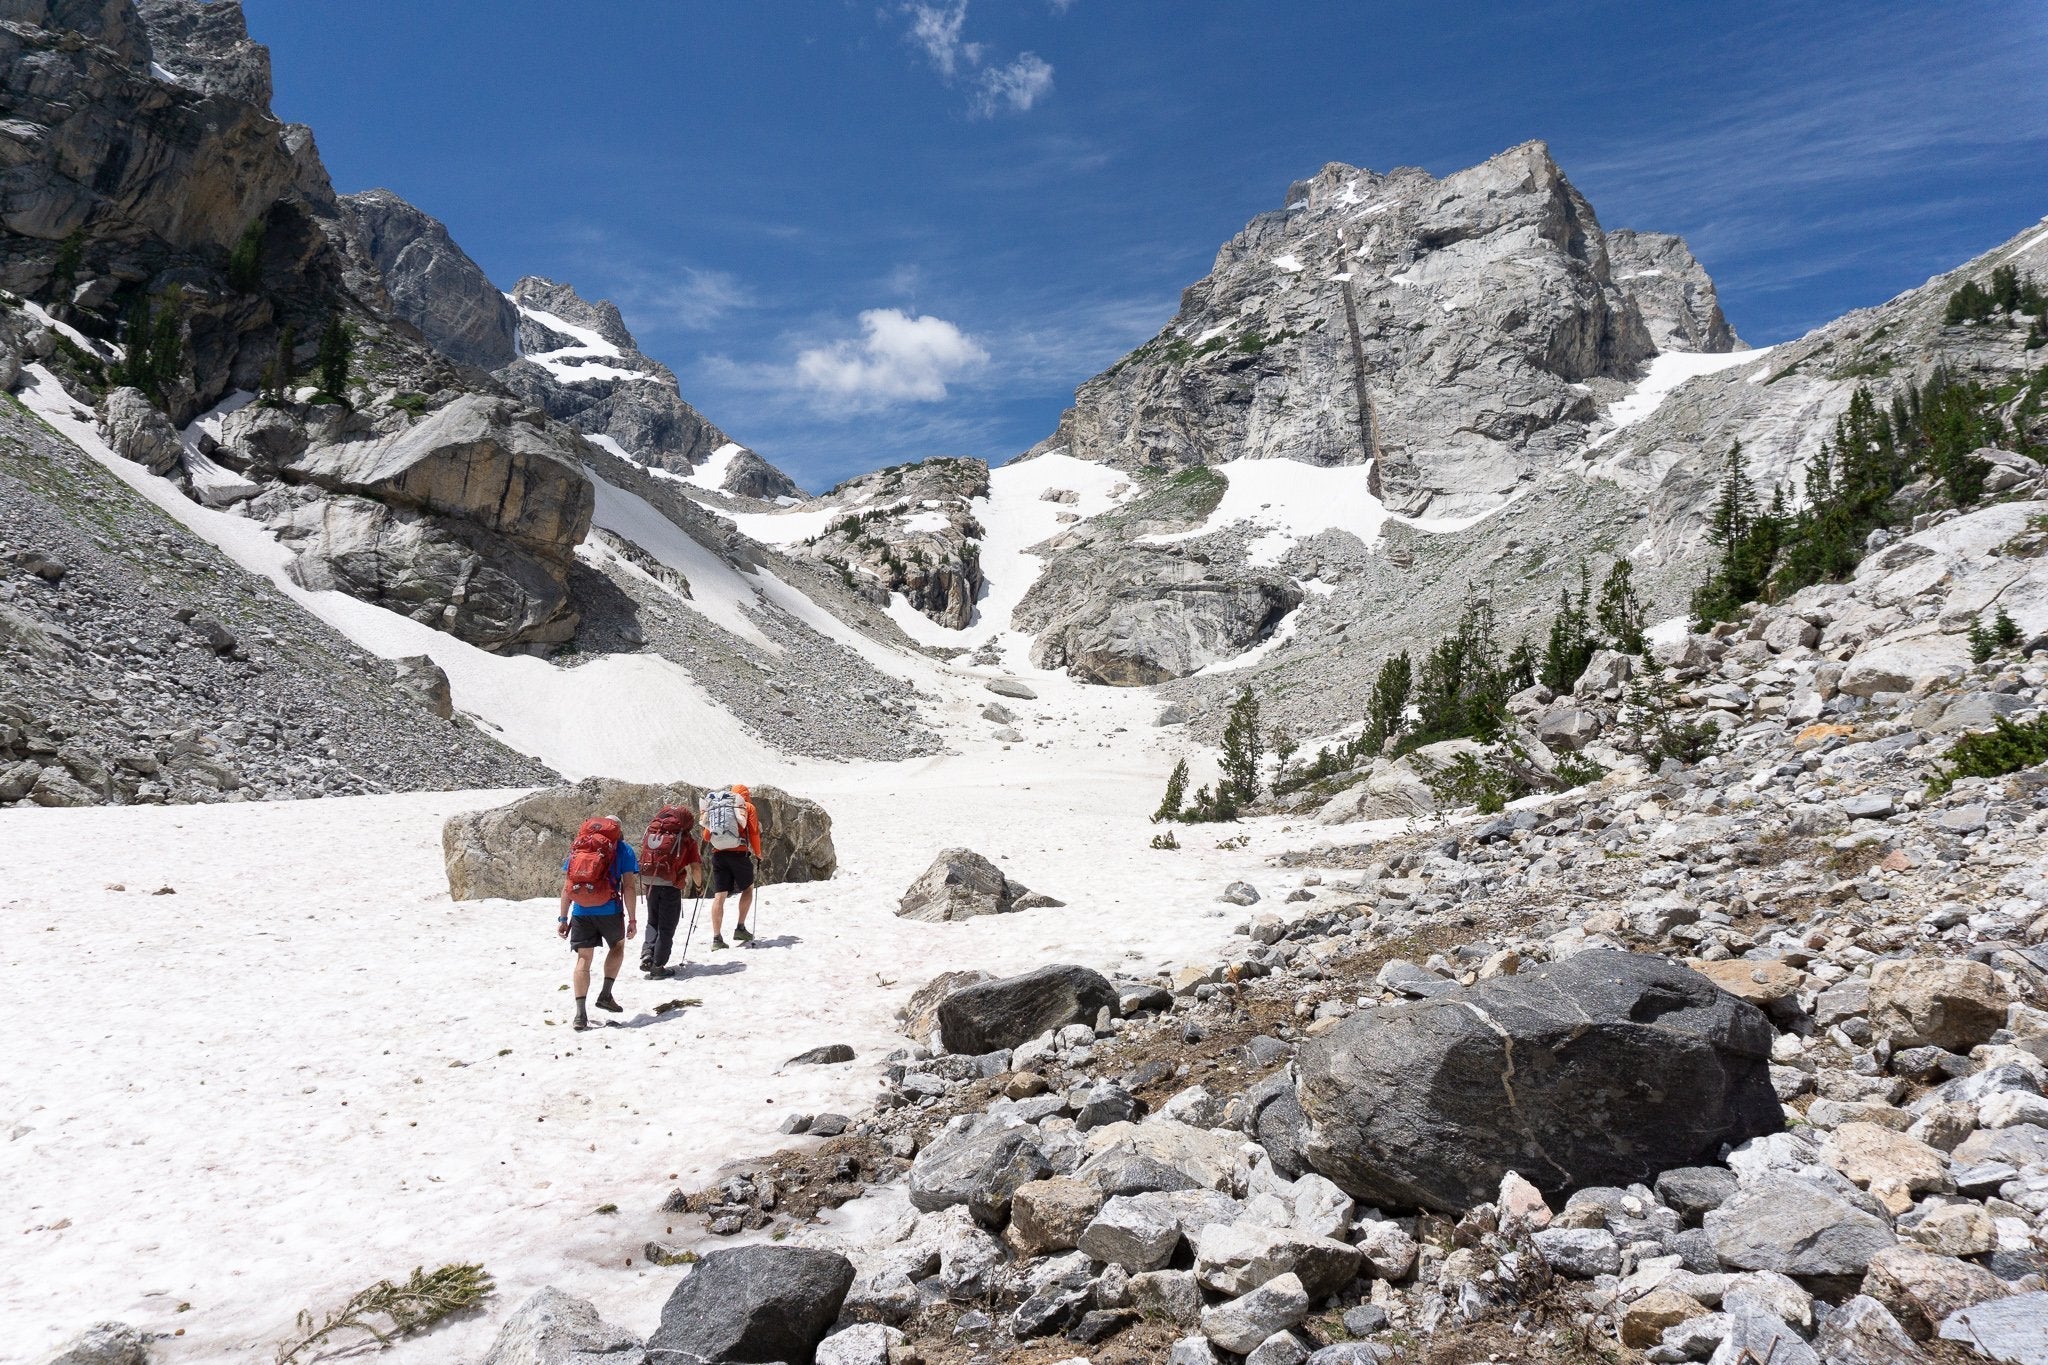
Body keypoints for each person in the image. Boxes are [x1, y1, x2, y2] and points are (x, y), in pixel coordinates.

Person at [557, 815, 639, 1030]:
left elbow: (568, 885)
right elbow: (629, 887)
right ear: (617, 829)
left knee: (584, 958)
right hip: (610, 910)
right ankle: (605, 994)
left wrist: (563, 918)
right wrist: (632, 918)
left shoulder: (581, 847)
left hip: (581, 911)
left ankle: (580, 1014)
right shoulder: (624, 850)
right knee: (618, 946)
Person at [638, 803, 702, 979]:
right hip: (671, 886)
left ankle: (647, 954)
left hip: (650, 882)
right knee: (666, 927)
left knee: (652, 921)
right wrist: (699, 886)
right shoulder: (686, 838)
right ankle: (658, 966)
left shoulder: (652, 831)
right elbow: (695, 868)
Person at [701, 783, 762, 951]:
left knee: (719, 897)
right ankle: (740, 928)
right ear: (746, 795)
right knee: (748, 888)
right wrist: (758, 853)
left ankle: (716, 938)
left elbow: (706, 836)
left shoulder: (717, 807)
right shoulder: (746, 806)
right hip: (738, 853)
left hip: (718, 854)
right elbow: (754, 832)